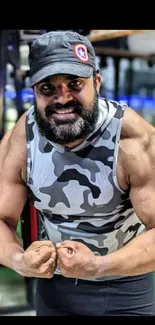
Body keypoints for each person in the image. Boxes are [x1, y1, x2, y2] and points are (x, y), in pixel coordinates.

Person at [0, 30, 155, 317]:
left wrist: (99, 266)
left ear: (96, 82)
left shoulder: (133, 140)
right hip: (55, 289)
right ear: (34, 91)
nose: (63, 98)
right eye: (48, 88)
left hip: (128, 288)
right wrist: (19, 261)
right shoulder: (23, 138)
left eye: (75, 84)